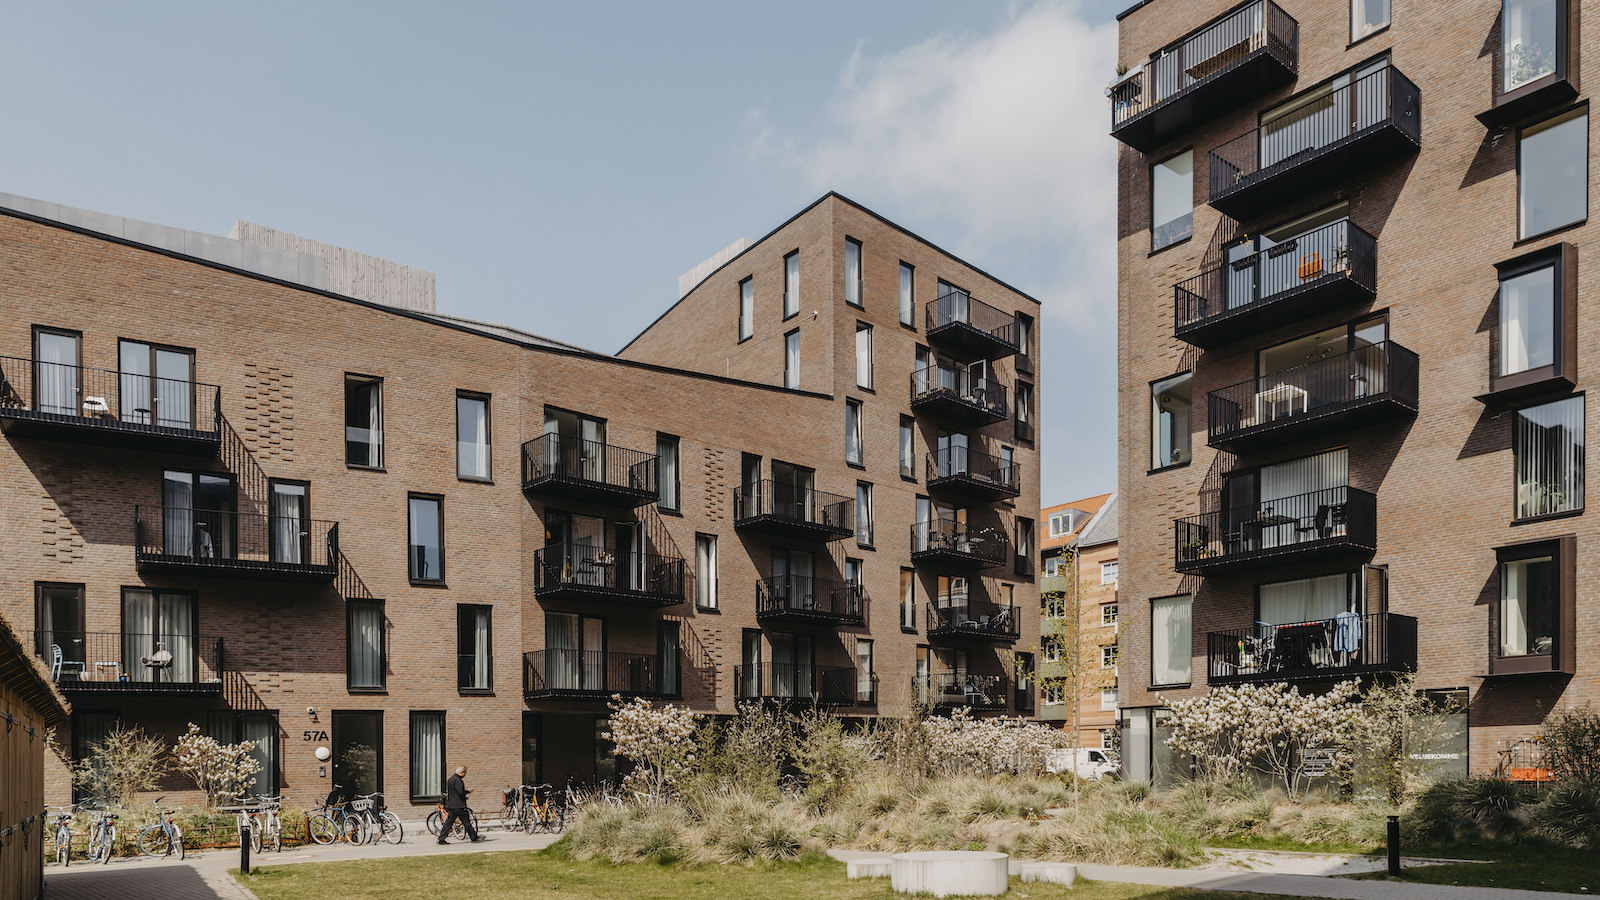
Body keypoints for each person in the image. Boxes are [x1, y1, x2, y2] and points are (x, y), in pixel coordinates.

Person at [439, 765, 484, 844]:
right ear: (461, 772)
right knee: (466, 822)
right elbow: (460, 792)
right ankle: (474, 837)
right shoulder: (458, 780)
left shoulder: (450, 779)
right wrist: (468, 791)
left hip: (451, 805)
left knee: (448, 823)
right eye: (465, 773)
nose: (465, 775)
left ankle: (441, 839)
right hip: (459, 805)